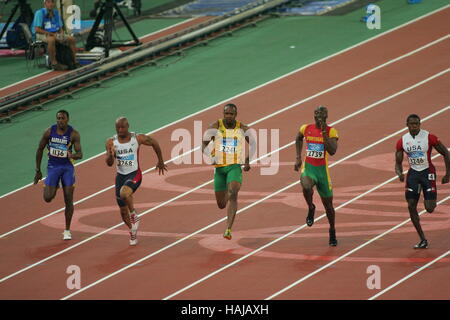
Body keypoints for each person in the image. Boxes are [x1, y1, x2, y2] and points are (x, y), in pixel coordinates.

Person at [105, 117, 167, 246]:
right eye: (118, 128)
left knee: (124, 193)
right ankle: (133, 231)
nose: (120, 130)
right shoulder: (111, 142)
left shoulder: (137, 138)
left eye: (122, 127)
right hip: (120, 176)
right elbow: (109, 163)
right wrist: (111, 155)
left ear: (128, 126)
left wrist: (160, 160)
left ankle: (133, 214)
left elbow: (154, 142)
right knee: (122, 211)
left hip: (134, 174)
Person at [395, 114, 449, 249]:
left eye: (416, 124)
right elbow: (398, 161)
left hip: (427, 172)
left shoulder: (429, 137)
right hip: (413, 174)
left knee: (429, 208)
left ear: (420, 124)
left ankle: (429, 196)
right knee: (411, 206)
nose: (414, 126)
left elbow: (446, 153)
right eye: (411, 124)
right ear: (407, 125)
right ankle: (422, 239)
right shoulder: (402, 141)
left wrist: (448, 174)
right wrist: (399, 172)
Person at [202, 103, 254, 240]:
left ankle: (228, 229)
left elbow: (253, 143)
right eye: (226, 114)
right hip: (219, 168)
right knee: (221, 204)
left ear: (235, 115)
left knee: (233, 192)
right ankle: (227, 191)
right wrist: (211, 156)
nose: (229, 116)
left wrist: (247, 160)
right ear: (223, 114)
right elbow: (203, 145)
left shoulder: (242, 128)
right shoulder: (215, 126)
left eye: (231, 114)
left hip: (234, 166)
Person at [34, 110, 82, 240]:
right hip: (53, 167)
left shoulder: (73, 134)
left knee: (68, 198)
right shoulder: (49, 132)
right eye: (58, 118)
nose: (60, 120)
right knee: (48, 198)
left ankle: (67, 230)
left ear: (67, 119)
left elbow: (80, 154)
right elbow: (39, 149)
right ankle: (55, 185)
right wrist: (38, 170)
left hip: (67, 168)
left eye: (63, 118)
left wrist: (73, 155)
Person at [294, 105, 339, 246]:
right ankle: (311, 207)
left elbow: (332, 151)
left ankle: (332, 230)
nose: (318, 117)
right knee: (306, 186)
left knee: (329, 207)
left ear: (326, 116)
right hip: (309, 169)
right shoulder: (306, 128)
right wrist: (297, 157)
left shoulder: (332, 132)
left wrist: (324, 132)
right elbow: (298, 138)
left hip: (322, 173)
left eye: (321, 115)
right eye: (316, 115)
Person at [31, 0, 78, 70]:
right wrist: (50, 34)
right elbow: (37, 29)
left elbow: (60, 27)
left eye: (52, 2)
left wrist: (61, 34)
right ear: (45, 3)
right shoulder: (39, 13)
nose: (51, 4)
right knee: (51, 40)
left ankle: (74, 61)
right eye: (48, 2)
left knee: (71, 39)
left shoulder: (56, 12)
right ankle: (54, 63)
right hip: (42, 34)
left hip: (55, 33)